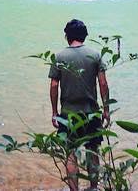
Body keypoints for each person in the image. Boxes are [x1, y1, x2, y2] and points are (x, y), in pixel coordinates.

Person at [49, 19, 111, 191]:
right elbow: (103, 84)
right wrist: (106, 110)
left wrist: (54, 113)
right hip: (91, 113)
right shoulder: (95, 55)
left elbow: (54, 86)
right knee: (93, 150)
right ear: (84, 36)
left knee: (70, 153)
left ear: (67, 36)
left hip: (68, 115)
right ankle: (93, 188)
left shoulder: (59, 57)